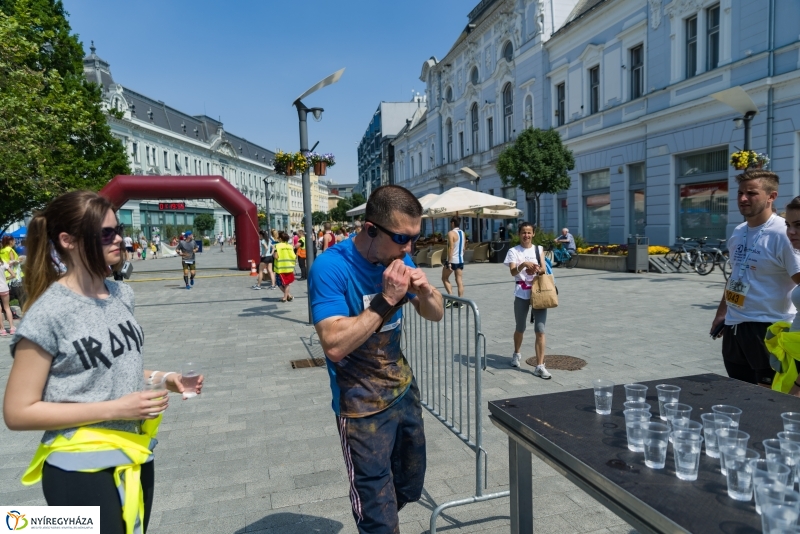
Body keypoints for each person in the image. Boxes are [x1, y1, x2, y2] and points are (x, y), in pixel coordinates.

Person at [2, 190, 203, 534]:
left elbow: (109, 366)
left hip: (133, 452)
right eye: (105, 233)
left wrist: (167, 378)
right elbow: (18, 412)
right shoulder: (48, 313)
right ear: (67, 241)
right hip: (78, 466)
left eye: (118, 229)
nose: (119, 239)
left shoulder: (121, 293)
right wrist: (116, 408)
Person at [309, 185, 443, 533]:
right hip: (361, 409)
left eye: (415, 237)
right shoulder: (330, 267)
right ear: (371, 229)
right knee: (376, 510)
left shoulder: (400, 259)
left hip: (403, 393)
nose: (409, 248)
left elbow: (436, 313)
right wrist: (387, 299)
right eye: (401, 238)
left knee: (409, 484)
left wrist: (426, 291)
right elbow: (334, 345)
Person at [710, 170, 800, 386]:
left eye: (751, 193)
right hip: (734, 326)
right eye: (740, 193)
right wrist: (721, 314)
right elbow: (736, 275)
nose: (743, 198)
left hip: (767, 328)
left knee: (767, 399)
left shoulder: (784, 233)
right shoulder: (739, 231)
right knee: (738, 392)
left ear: (771, 196)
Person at [504, 222, 552, 379]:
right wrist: (524, 265)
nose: (526, 235)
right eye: (524, 232)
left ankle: (540, 366)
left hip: (539, 291)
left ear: (533, 234)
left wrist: (537, 269)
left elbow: (544, 268)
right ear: (519, 234)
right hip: (521, 292)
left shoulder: (538, 249)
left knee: (540, 329)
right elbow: (512, 272)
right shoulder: (513, 251)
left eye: (529, 232)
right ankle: (516, 353)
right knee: (520, 327)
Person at [442, 216, 466, 308]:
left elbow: (451, 248)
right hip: (460, 260)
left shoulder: (451, 233)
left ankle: (450, 297)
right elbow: (464, 248)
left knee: (444, 278)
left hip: (453, 260)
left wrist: (449, 262)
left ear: (452, 223)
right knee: (459, 280)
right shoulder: (462, 233)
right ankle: (460, 302)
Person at [0, 236, 25, 308]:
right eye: (14, 241)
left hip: (5, 274)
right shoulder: (10, 249)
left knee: (7, 294)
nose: (15, 242)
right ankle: (24, 310)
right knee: (22, 295)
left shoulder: (2, 250)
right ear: (10, 241)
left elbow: (5, 262)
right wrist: (19, 260)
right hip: (16, 275)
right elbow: (12, 262)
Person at [273, 232, 296, 302]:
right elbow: (294, 256)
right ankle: (288, 296)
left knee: (279, 283)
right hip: (289, 267)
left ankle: (285, 297)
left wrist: (273, 254)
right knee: (287, 283)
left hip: (280, 268)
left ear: (280, 238)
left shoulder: (277, 246)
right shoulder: (290, 246)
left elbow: (276, 256)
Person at [0, 258, 15, 335]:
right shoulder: (3, 264)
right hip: (4, 288)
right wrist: (6, 278)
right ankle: (12, 328)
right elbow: (13, 275)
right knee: (7, 307)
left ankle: (2, 330)